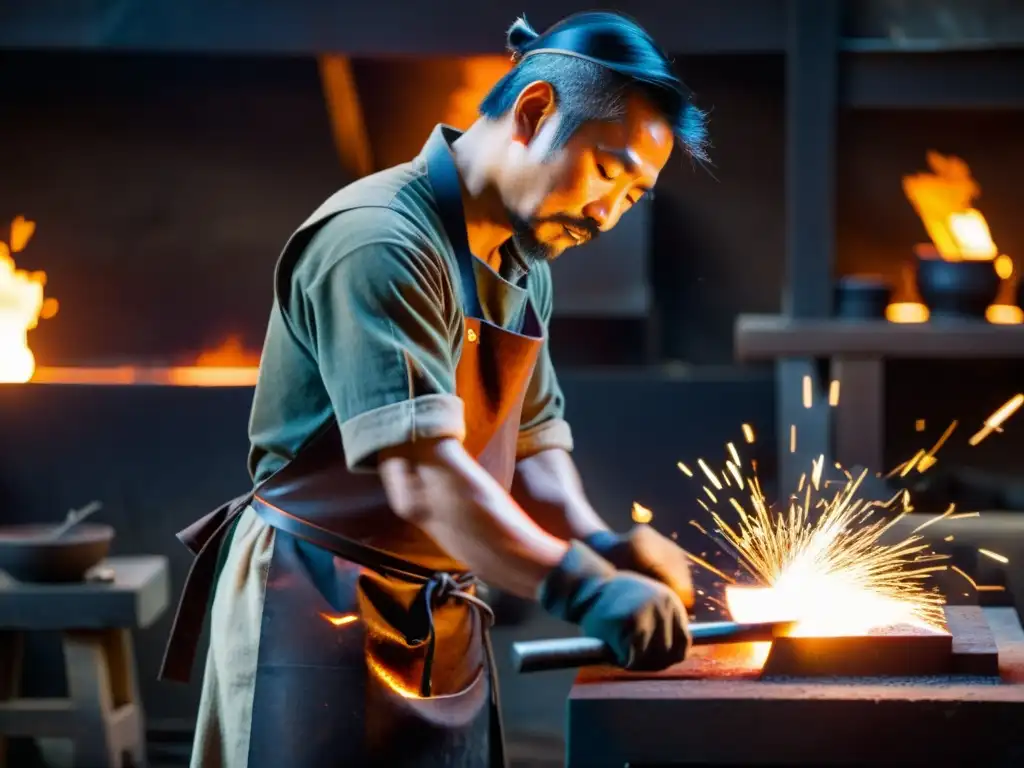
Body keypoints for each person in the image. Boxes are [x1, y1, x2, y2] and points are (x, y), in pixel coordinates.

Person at [160, 10, 709, 767]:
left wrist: (602, 545)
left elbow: (535, 447)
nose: (609, 213)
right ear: (535, 111)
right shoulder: (380, 239)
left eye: (635, 195)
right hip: (313, 599)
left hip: (440, 606)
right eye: (609, 171)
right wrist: (582, 590)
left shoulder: (523, 266)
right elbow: (422, 477)